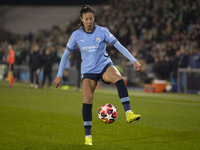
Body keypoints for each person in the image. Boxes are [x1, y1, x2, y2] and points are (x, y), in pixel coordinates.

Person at [54, 5, 142, 146]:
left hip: (104, 66)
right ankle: (88, 137)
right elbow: (65, 55)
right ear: (82, 19)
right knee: (87, 98)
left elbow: (119, 46)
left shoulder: (102, 31)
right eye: (86, 19)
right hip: (88, 71)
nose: (89, 21)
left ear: (94, 19)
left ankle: (129, 113)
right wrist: (59, 75)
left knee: (118, 77)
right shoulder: (76, 35)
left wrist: (134, 61)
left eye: (91, 19)